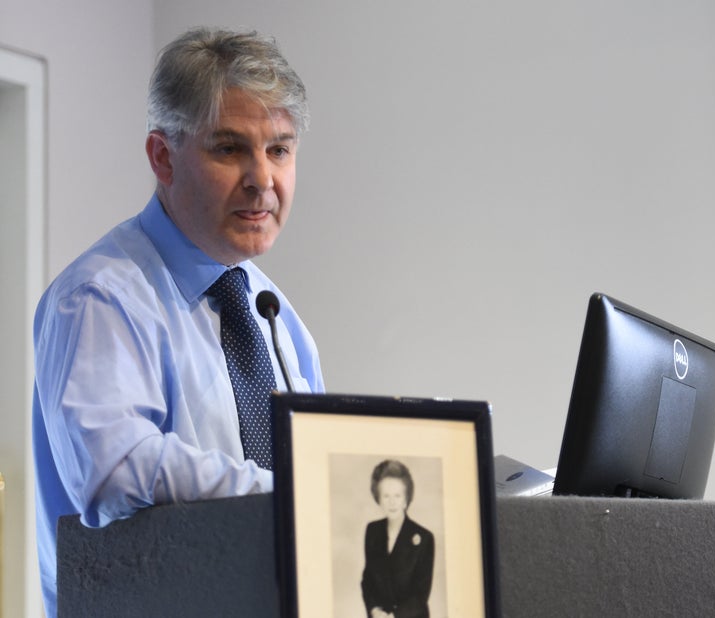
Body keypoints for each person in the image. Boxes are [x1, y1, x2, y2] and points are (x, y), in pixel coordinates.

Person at [32, 27, 324, 617]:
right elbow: (116, 470)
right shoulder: (101, 296)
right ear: (162, 157)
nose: (263, 180)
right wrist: (290, 496)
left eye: (279, 150)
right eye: (229, 148)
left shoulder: (276, 316)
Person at [361, 460, 435, 618]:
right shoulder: (372, 531)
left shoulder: (424, 538)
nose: (392, 502)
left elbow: (420, 595)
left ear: (406, 498)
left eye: (397, 495)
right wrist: (374, 611)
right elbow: (367, 580)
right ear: (378, 498)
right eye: (386, 496)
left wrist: (394, 616)